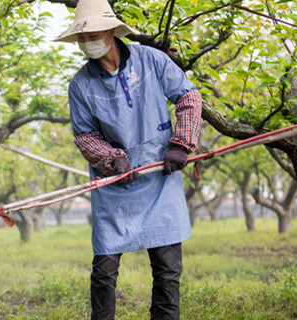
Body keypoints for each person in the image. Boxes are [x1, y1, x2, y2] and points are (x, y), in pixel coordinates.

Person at [53, 0, 202, 319]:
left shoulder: (152, 60)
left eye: (91, 34)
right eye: (81, 37)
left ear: (110, 30)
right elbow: (85, 136)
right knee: (104, 272)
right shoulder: (80, 85)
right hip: (114, 185)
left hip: (160, 176)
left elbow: (188, 96)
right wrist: (112, 160)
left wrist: (181, 144)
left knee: (167, 270)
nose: (86, 42)